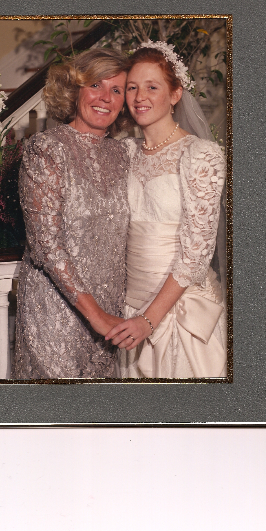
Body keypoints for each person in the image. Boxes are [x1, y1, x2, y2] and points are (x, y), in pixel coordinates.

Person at [106, 42, 227, 379]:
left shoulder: (200, 155)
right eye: (132, 87)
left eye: (152, 87)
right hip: (130, 311)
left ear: (175, 94)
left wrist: (149, 320)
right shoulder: (125, 152)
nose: (139, 97)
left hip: (177, 312)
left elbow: (196, 254)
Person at [12, 48, 131, 379]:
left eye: (116, 90)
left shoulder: (125, 153)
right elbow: (46, 245)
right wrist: (96, 316)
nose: (105, 97)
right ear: (75, 89)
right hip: (55, 313)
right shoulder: (46, 149)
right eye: (95, 85)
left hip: (112, 312)